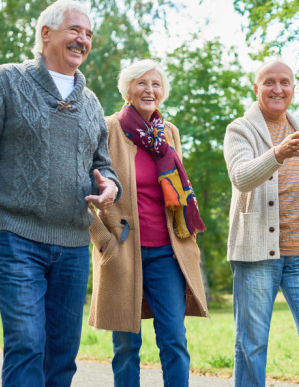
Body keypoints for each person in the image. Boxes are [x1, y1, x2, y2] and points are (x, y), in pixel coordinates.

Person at [0, 0, 121, 387]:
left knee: (62, 352)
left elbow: (103, 163)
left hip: (74, 242)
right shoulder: (6, 81)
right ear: (46, 33)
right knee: (27, 343)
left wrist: (111, 184)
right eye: (75, 30)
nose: (83, 40)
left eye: (89, 34)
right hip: (17, 236)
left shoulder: (91, 102)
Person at [87, 59, 209, 387]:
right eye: (141, 83)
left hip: (167, 253)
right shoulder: (108, 127)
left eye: (155, 84)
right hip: (122, 251)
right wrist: (103, 238)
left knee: (174, 340)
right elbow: (80, 189)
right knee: (127, 345)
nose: (149, 90)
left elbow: (179, 193)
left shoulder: (167, 133)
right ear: (127, 88)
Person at [223, 58, 299, 387]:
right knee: (252, 342)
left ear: (293, 88)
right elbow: (241, 177)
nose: (278, 88)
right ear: (256, 88)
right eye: (269, 82)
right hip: (256, 255)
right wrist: (278, 153)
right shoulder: (240, 129)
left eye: (285, 82)